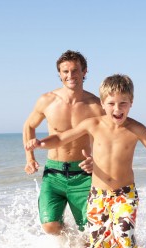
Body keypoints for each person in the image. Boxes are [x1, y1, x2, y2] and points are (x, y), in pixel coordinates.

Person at [27, 74, 146, 248]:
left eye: (123, 103)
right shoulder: (93, 124)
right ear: (103, 104)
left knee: (125, 242)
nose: (117, 109)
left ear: (131, 103)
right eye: (111, 103)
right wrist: (41, 143)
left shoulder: (136, 129)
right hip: (97, 195)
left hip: (125, 195)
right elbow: (61, 138)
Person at [22, 50, 104, 235]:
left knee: (90, 230)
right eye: (65, 71)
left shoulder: (96, 105)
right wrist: (30, 157)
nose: (70, 75)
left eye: (75, 70)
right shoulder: (47, 100)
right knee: (50, 226)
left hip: (83, 174)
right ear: (59, 74)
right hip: (53, 173)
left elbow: (107, 138)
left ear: (84, 71)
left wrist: (97, 160)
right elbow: (29, 126)